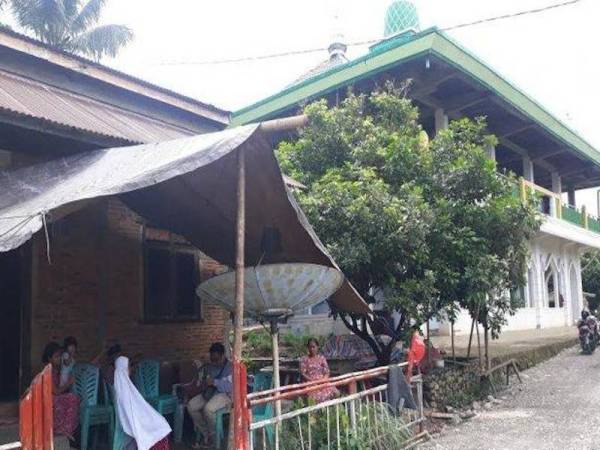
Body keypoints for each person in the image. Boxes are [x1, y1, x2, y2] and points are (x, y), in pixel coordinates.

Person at [113, 356, 171, 450]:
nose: (130, 369)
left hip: (135, 421)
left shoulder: (122, 385)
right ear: (124, 368)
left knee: (160, 423)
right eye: (128, 367)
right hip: (131, 426)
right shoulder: (124, 388)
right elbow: (130, 414)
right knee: (160, 427)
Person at [185, 343, 233, 448]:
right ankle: (206, 434)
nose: (214, 362)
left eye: (216, 359)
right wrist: (203, 382)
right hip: (210, 394)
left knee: (208, 409)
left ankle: (214, 439)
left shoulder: (230, 368)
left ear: (222, 355)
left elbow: (230, 387)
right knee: (191, 406)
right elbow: (204, 381)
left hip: (225, 395)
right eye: (212, 359)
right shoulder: (210, 366)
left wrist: (215, 382)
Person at [42, 342, 80, 438]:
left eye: (60, 356)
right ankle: (64, 429)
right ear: (49, 358)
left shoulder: (56, 369)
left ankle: (62, 428)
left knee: (73, 398)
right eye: (56, 357)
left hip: (52, 399)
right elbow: (56, 391)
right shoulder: (48, 370)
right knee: (72, 398)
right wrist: (69, 383)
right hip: (48, 400)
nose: (59, 359)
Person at [299, 338, 339, 404]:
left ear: (317, 347)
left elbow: (327, 371)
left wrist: (323, 380)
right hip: (311, 382)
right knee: (316, 398)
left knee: (336, 393)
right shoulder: (304, 359)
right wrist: (313, 381)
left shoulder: (321, 358)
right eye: (310, 347)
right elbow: (303, 373)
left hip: (322, 381)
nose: (312, 349)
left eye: (313, 347)